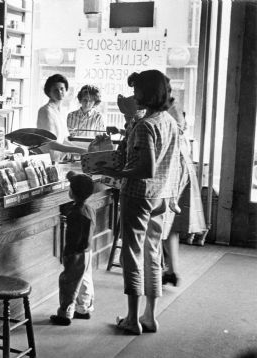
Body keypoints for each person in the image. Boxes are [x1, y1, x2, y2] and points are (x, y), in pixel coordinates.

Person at [97, 70, 180, 335]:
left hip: (138, 194)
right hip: (161, 195)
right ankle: (149, 316)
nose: (134, 96)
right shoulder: (167, 120)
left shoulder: (146, 125)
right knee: (152, 254)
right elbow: (168, 165)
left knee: (131, 255)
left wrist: (113, 172)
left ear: (147, 93)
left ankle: (132, 319)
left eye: (137, 91)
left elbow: (146, 168)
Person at [162, 99, 207, 286]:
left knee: (161, 220)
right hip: (182, 164)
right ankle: (171, 270)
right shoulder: (175, 106)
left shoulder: (166, 109)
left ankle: (161, 270)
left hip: (173, 167)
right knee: (169, 225)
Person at [50, 171, 96, 326]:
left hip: (75, 253)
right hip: (88, 251)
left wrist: (66, 254)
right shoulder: (90, 209)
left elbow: (72, 238)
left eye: (70, 188)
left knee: (69, 283)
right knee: (85, 281)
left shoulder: (75, 213)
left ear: (73, 192)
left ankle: (65, 313)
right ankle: (83, 308)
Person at [37, 74, 87, 160]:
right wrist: (80, 150)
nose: (60, 92)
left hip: (57, 159)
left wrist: (83, 150)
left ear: (66, 90)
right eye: (55, 90)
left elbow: (63, 139)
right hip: (47, 159)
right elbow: (50, 143)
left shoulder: (61, 111)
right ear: (49, 92)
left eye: (62, 89)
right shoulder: (45, 111)